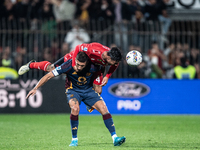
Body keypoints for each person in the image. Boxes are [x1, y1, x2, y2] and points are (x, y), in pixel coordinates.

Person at [26, 52, 126, 147]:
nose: (78, 67)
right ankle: (74, 139)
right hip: (73, 91)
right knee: (75, 108)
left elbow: (103, 67)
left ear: (86, 63)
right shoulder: (68, 65)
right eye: (77, 64)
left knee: (104, 108)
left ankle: (115, 138)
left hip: (88, 91)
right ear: (75, 60)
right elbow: (48, 76)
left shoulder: (93, 65)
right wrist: (35, 88)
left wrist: (100, 79)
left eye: (81, 66)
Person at [18, 42, 122, 86]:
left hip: (93, 64)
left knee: (98, 88)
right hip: (77, 57)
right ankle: (31, 65)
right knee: (51, 68)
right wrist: (73, 65)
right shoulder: (94, 50)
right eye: (114, 61)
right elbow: (78, 48)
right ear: (109, 57)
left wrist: (107, 76)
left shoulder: (111, 57)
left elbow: (115, 64)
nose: (115, 64)